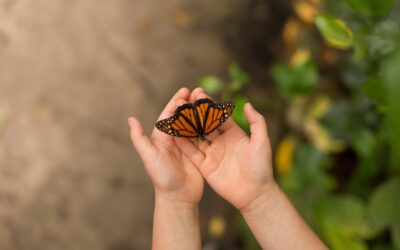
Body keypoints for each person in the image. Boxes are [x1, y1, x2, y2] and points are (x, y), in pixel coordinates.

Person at [128, 87, 328, 250]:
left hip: (190, 123)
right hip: (205, 123)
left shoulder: (188, 130)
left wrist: (174, 199)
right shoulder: (209, 126)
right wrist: (261, 197)